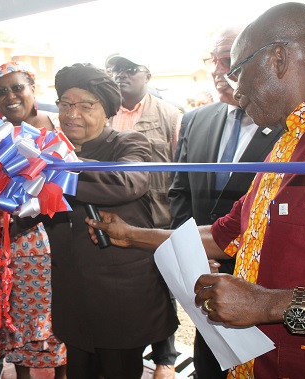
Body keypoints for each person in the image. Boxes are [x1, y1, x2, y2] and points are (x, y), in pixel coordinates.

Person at [87, 3, 305, 377]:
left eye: (237, 71)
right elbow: (228, 234)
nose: (234, 90)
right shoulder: (286, 144)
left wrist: (267, 305)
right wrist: (130, 235)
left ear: (279, 58)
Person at [46, 63, 177, 379]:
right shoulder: (51, 151)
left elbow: (127, 182)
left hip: (119, 296)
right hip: (72, 294)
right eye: (65, 104)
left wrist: (63, 169)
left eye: (85, 106)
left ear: (107, 112)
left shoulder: (127, 143)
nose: (71, 113)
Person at [171, 27, 285, 379]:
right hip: (204, 273)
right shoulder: (195, 119)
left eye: (231, 61)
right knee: (209, 362)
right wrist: (192, 252)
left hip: (265, 286)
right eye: (215, 60)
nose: (221, 70)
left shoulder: (289, 124)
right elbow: (180, 193)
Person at [0, 61, 66, 379]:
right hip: (4, 248)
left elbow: (71, 195)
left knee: (58, 319)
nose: (10, 96)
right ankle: (22, 374)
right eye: (1, 91)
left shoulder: (58, 132)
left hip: (53, 245)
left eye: (17, 87)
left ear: (33, 89)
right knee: (12, 318)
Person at [106, 53, 181, 379]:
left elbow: (182, 174)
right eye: (115, 70)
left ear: (147, 74)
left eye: (129, 70)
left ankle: (165, 357)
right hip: (118, 219)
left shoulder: (169, 116)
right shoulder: (104, 114)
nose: (121, 76)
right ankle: (128, 350)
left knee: (162, 288)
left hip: (158, 219)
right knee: (125, 290)